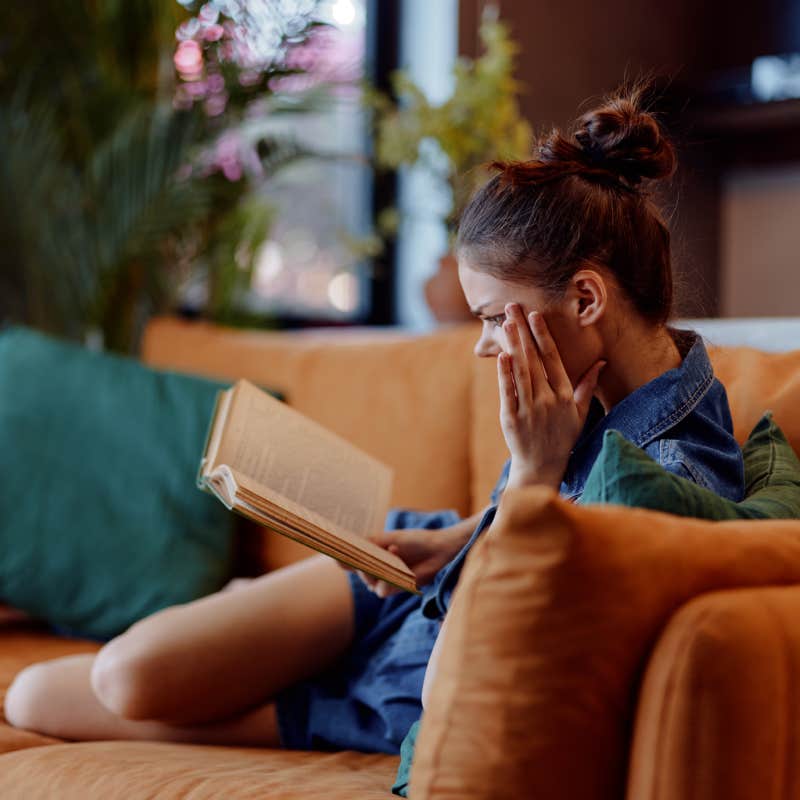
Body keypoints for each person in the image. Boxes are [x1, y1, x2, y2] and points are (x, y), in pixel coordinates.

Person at [3, 83, 744, 757]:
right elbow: (525, 528)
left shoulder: (668, 483)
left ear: (586, 300)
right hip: (403, 593)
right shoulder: (592, 388)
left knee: (44, 694)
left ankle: (249, 656)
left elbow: (459, 689)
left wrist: (532, 476)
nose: (484, 346)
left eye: (491, 317)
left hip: (397, 687)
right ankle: (245, 633)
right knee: (117, 672)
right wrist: (456, 537)